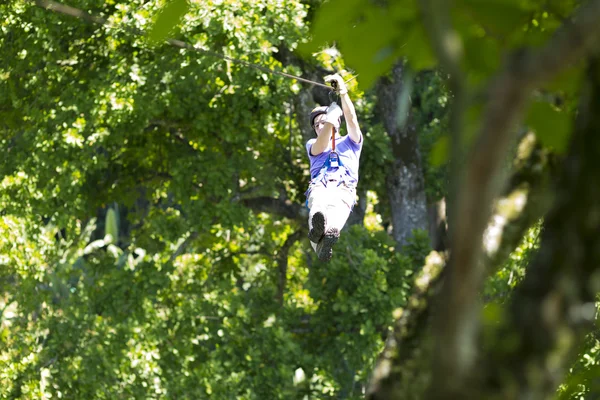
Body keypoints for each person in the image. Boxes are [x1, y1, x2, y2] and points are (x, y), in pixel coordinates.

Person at [305, 73, 363, 262]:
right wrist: (329, 120)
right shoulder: (313, 144)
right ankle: (318, 236)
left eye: (323, 122)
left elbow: (352, 120)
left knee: (336, 217)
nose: (320, 126)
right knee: (318, 208)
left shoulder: (351, 142)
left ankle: (328, 236)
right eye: (317, 125)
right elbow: (322, 144)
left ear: (338, 123)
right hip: (321, 186)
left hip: (343, 188)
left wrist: (343, 94)